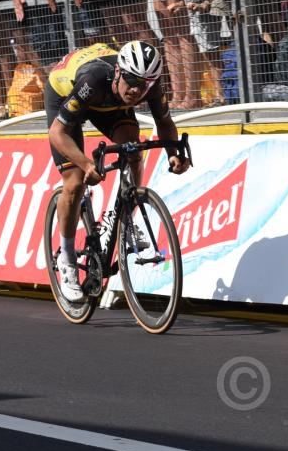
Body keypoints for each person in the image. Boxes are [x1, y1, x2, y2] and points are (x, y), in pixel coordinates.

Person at [46, 40, 191, 302]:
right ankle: (67, 259)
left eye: (143, 84)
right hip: (69, 93)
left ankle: (124, 218)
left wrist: (173, 154)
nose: (136, 90)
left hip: (109, 102)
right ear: (118, 72)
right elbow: (57, 132)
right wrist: (86, 163)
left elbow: (164, 121)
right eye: (131, 80)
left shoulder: (150, 85)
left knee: (134, 152)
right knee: (76, 182)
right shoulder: (94, 79)